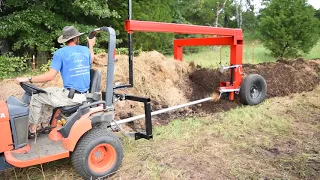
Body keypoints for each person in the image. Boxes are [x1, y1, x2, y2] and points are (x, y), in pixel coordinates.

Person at [15, 26, 96, 139]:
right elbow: (91, 58)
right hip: (81, 94)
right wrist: (91, 45)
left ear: (64, 40)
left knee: (37, 97)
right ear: (76, 38)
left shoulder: (60, 53)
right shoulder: (85, 50)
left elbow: (50, 76)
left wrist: (27, 78)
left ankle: (32, 129)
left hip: (71, 97)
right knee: (46, 91)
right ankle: (44, 124)